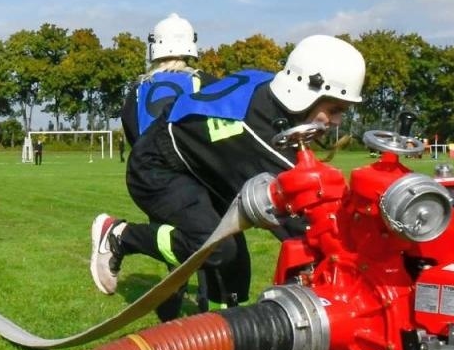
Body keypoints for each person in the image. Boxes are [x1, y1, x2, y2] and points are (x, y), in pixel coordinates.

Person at [91, 34, 366, 323]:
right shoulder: (259, 136)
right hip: (158, 168)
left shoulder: (269, 89)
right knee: (216, 248)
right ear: (305, 91)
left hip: (201, 167)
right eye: (334, 109)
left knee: (236, 263)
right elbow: (305, 221)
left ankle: (232, 343)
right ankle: (120, 236)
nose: (336, 122)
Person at [121, 13, 204, 152]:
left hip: (147, 169)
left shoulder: (138, 89)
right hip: (190, 169)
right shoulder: (202, 83)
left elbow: (133, 135)